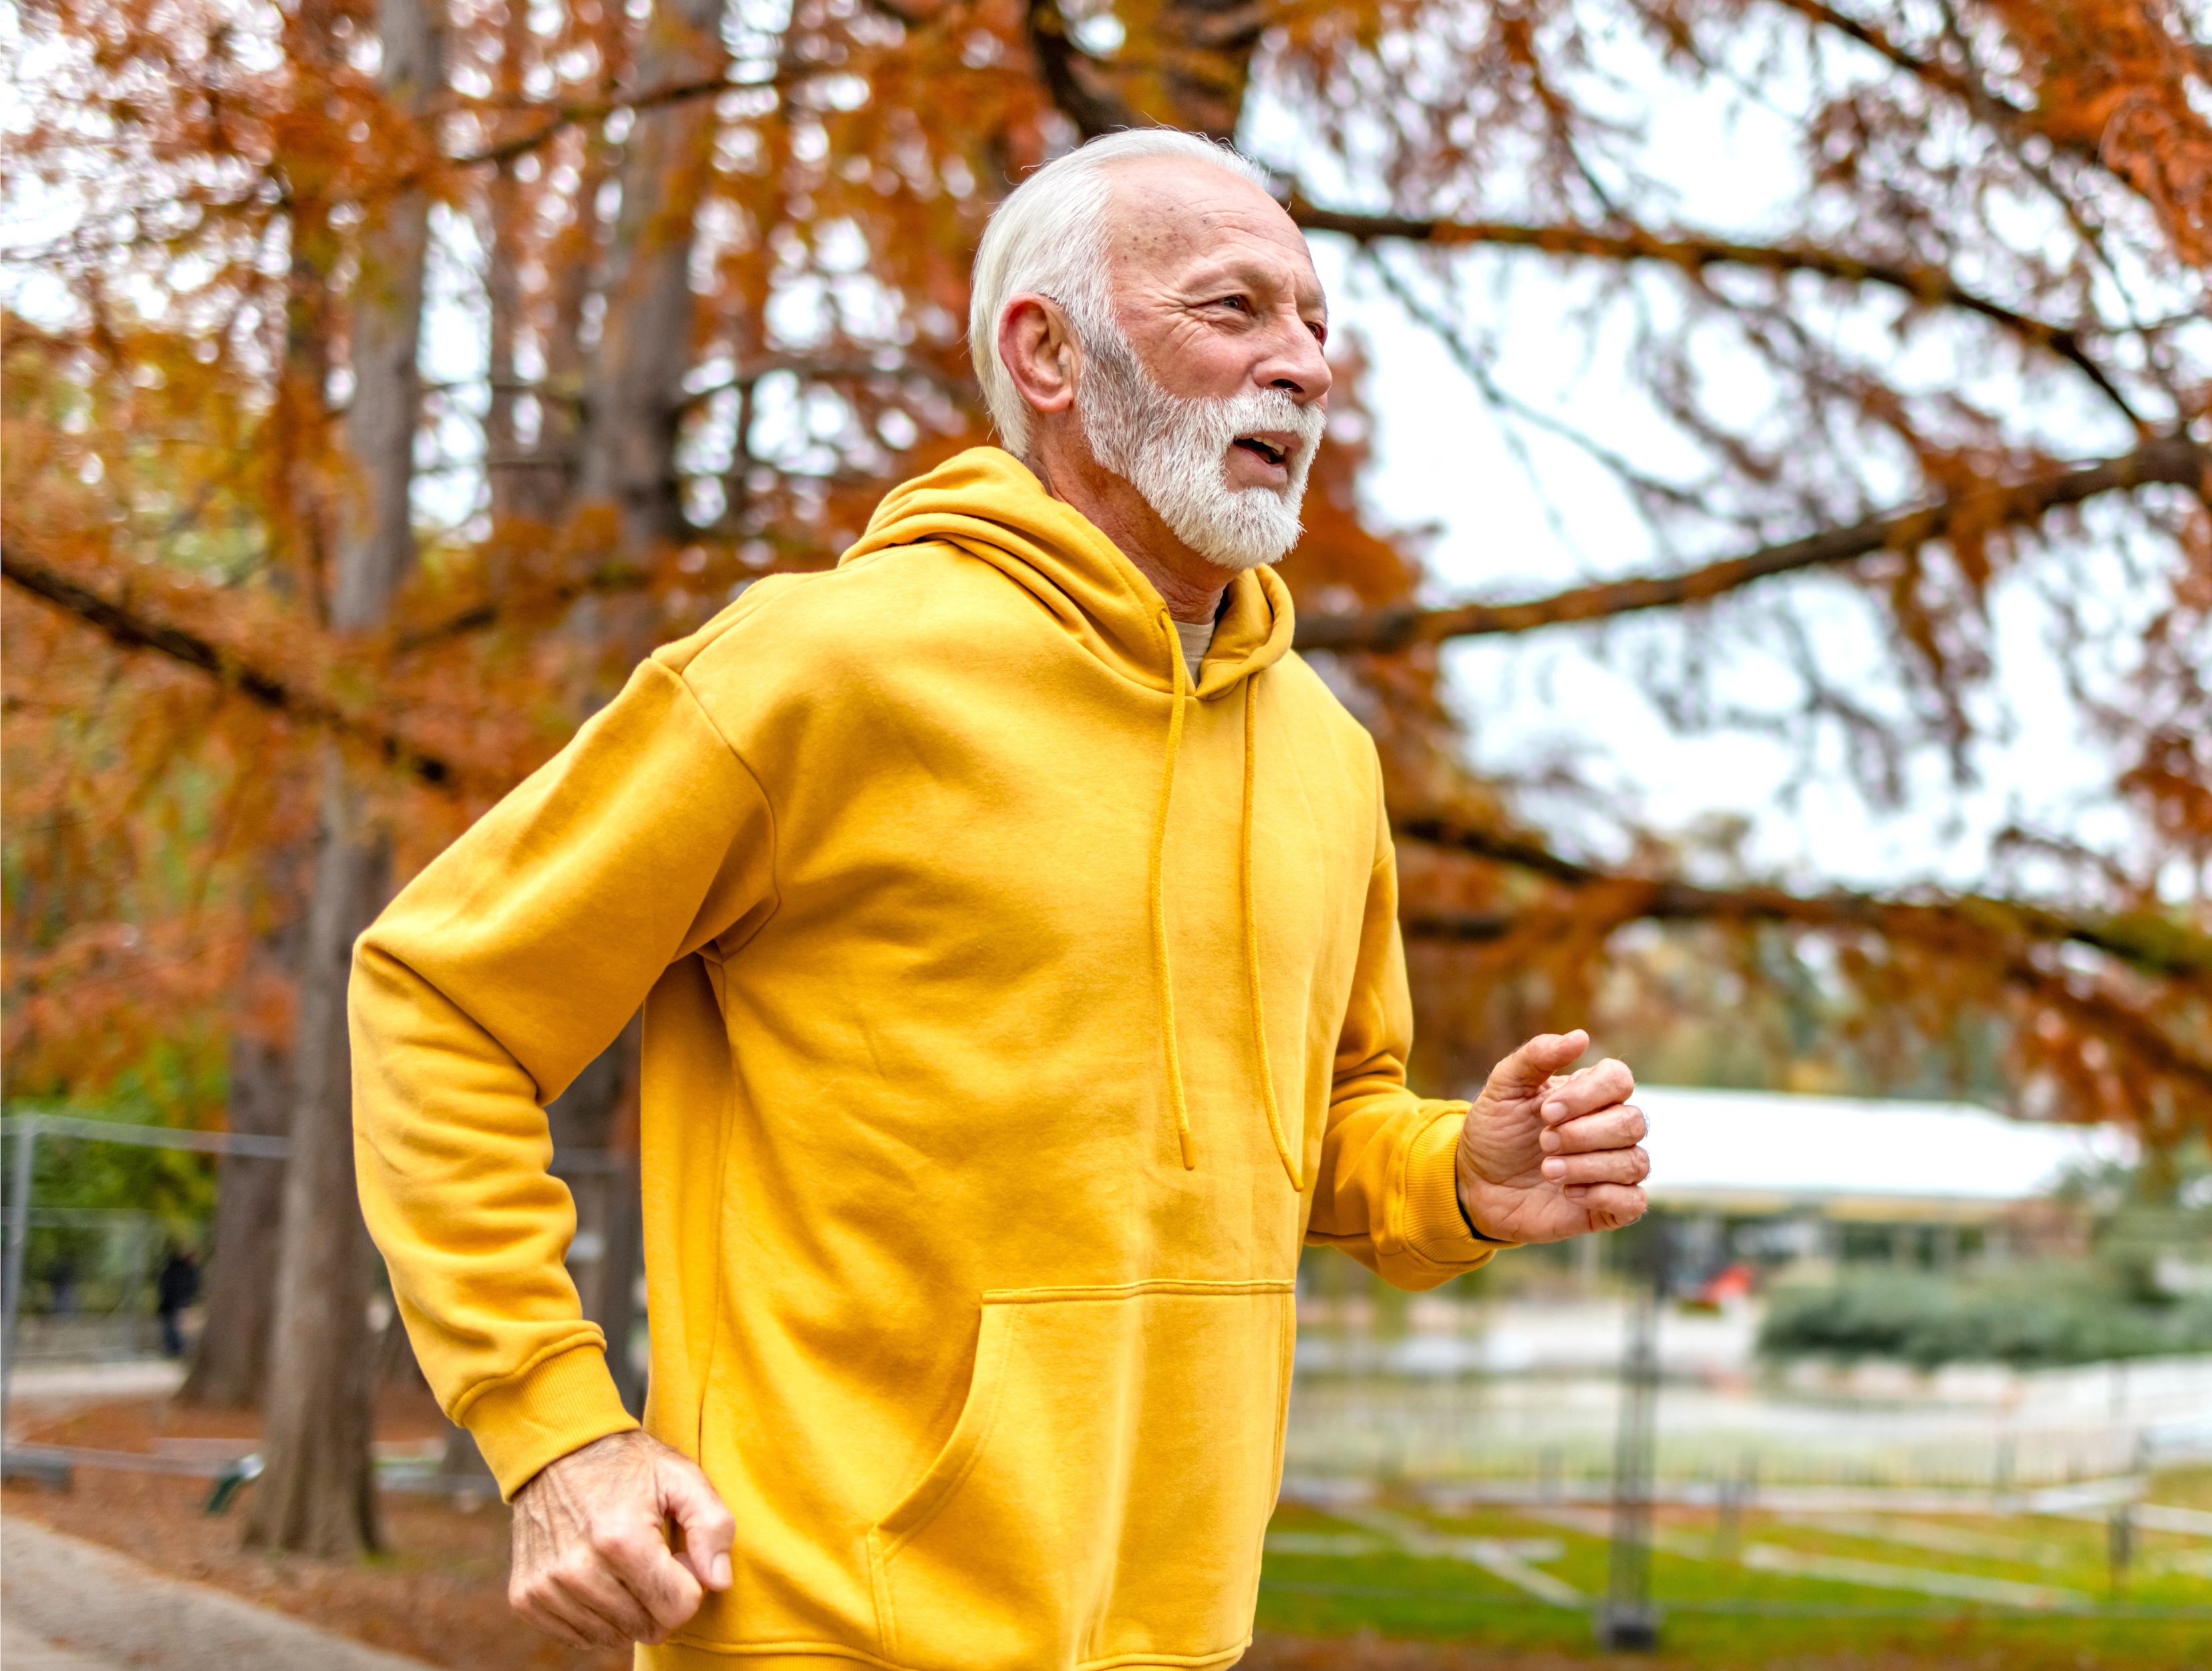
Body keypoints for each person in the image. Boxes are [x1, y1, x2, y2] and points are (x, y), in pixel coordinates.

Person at [349, 128, 1653, 1670]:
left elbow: (1314, 1120)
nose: (1302, 366)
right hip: (823, 1627)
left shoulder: (1324, 757)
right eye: (1233, 310)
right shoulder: (822, 668)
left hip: (1177, 1631)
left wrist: (1454, 1179)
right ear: (1047, 353)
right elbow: (440, 1002)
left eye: (1315, 324)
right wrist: (558, 1430)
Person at [156, 1243, 201, 1358]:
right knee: (174, 1327)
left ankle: (174, 1350)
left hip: (172, 1302)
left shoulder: (174, 1269)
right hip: (176, 1302)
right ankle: (175, 1350)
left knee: (172, 1327)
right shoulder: (185, 1271)